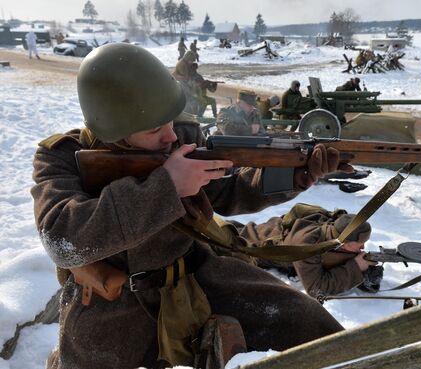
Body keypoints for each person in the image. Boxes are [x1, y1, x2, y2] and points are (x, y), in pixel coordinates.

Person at [31, 43, 350, 369]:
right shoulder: (60, 157)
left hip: (196, 275)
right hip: (110, 302)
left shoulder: (181, 134)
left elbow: (228, 190)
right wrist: (166, 187)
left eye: (169, 121)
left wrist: (295, 173)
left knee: (311, 325)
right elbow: (63, 239)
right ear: (116, 129)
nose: (171, 136)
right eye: (155, 129)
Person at [213, 203, 382, 297]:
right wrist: (355, 268)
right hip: (245, 246)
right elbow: (316, 288)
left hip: (268, 231)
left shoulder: (335, 225)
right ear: (344, 242)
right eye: (360, 245)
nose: (363, 248)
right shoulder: (307, 245)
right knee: (217, 239)